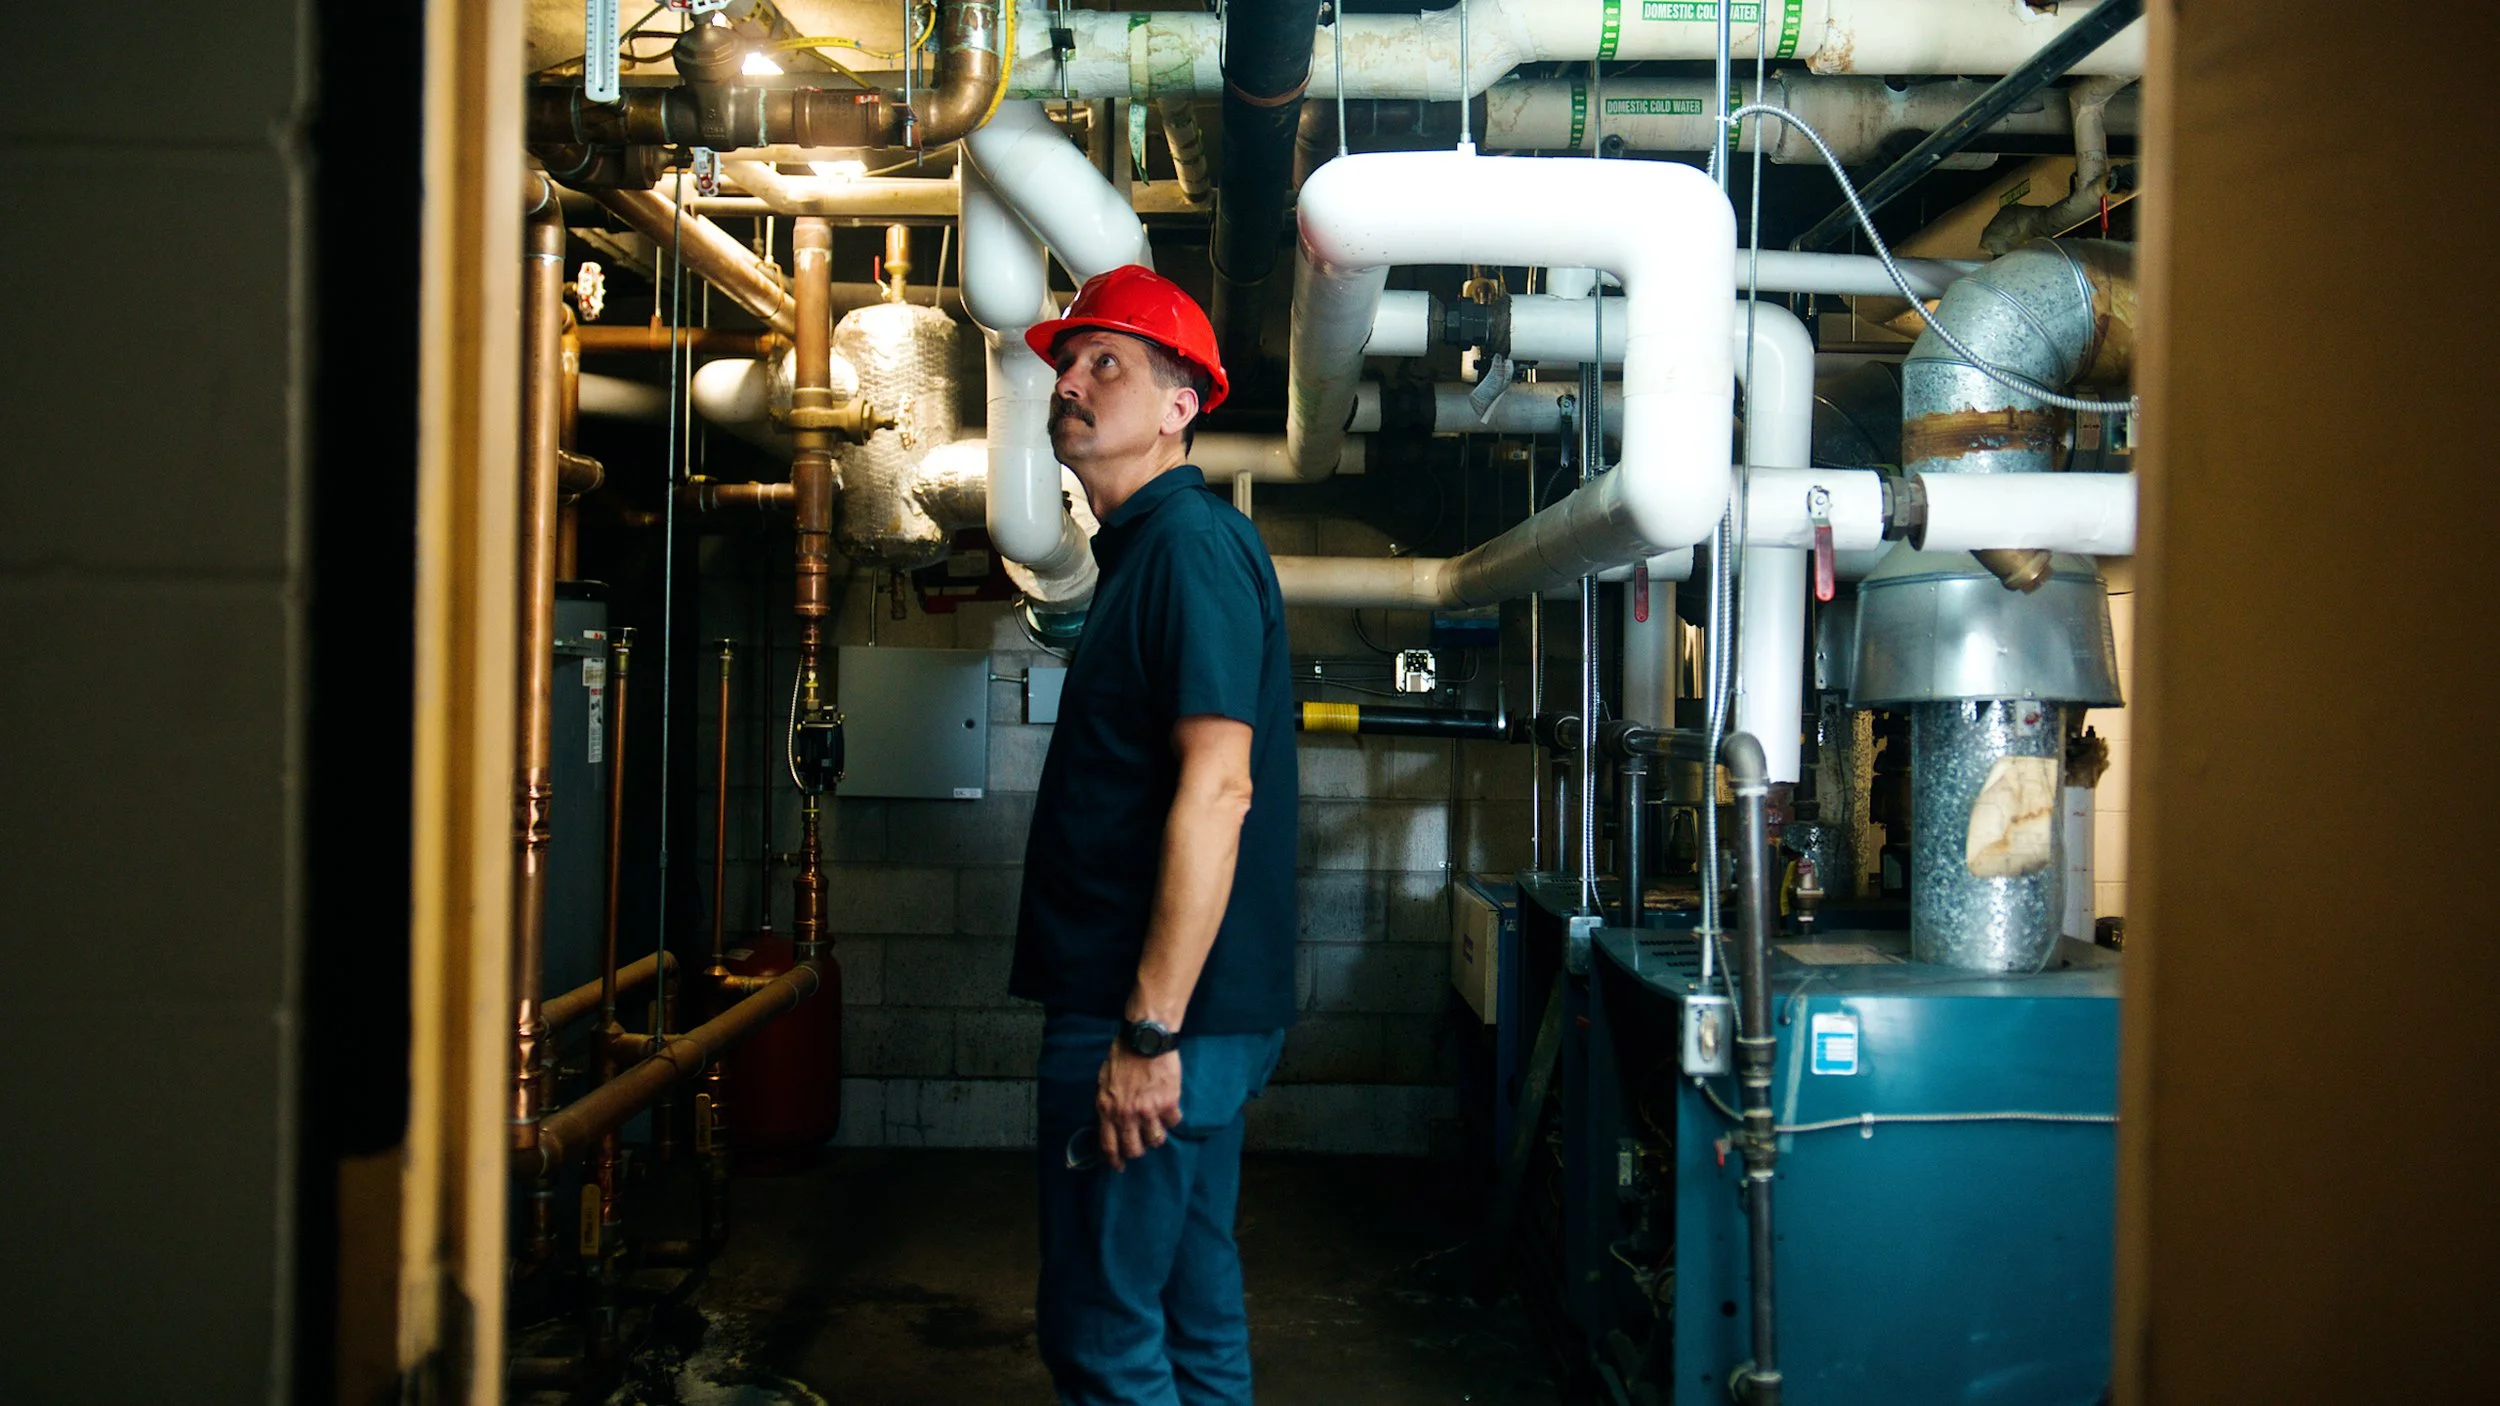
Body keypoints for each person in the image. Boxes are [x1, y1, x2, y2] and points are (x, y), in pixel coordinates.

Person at [1009, 264, 1299, 1406]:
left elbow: (1218, 790)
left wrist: (1145, 1026)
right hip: (1189, 1017)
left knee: (1102, 1330)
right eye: (1065, 363)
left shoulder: (1185, 549)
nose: (1069, 382)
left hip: (1154, 1018)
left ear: (1182, 404)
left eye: (1105, 364)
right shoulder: (1149, 551)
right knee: (1185, 1306)